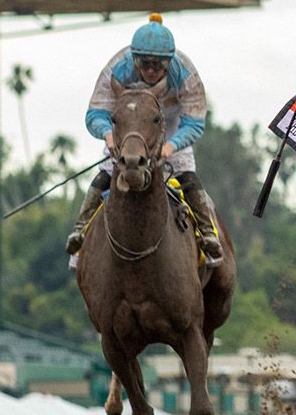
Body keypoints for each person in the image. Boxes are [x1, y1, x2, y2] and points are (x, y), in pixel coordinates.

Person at [65, 14, 224, 268]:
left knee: (188, 177)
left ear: (169, 63)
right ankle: (80, 235)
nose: (150, 70)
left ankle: (208, 235)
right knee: (105, 174)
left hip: (171, 131)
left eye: (158, 65)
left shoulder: (186, 75)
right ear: (134, 59)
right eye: (144, 63)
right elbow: (96, 113)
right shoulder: (117, 69)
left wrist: (170, 147)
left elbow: (194, 122)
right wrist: (109, 137)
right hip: (127, 134)